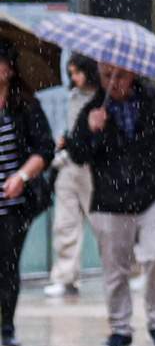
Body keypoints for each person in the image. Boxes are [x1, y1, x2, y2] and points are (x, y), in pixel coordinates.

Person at [71, 60, 155, 346]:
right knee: (114, 268)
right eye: (107, 75)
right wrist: (90, 129)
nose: (114, 82)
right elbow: (77, 154)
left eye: (120, 75)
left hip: (153, 194)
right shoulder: (93, 108)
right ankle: (120, 329)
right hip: (110, 200)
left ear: (133, 73)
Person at [0, 42, 57, 346]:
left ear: (8, 70)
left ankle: (7, 326)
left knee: (7, 266)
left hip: (13, 204)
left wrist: (21, 176)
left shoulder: (25, 106)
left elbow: (44, 149)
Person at [42, 55, 99, 300]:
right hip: (69, 163)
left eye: (78, 72)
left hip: (93, 168)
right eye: (71, 72)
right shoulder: (72, 98)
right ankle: (65, 277)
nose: (74, 77)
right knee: (65, 224)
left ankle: (129, 269)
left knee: (104, 224)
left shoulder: (102, 98)